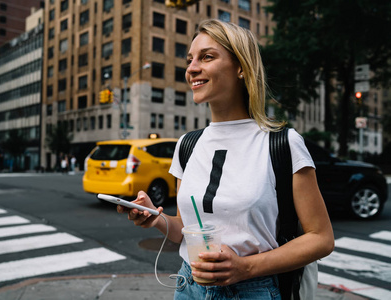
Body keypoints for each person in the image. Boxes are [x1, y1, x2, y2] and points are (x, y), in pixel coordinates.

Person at [117, 19, 334, 299]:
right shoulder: (187, 144)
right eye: (190, 59)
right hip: (188, 287)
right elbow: (186, 230)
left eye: (207, 57)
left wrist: (245, 268)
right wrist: (156, 218)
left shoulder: (282, 143)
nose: (192, 68)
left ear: (241, 67)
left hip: (255, 290)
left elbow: (321, 238)